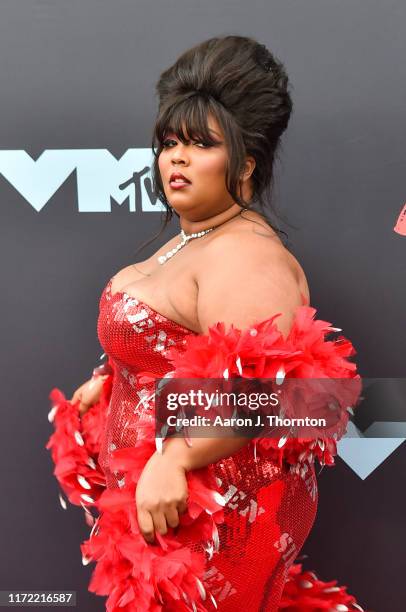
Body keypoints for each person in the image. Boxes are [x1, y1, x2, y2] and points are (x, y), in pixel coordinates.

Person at [49, 35, 365, 611]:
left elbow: (297, 398)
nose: (176, 157)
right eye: (170, 143)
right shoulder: (191, 242)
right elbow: (168, 348)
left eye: (200, 144)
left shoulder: (246, 255)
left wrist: (176, 457)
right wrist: (116, 379)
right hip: (159, 515)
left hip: (216, 522)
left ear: (245, 163)